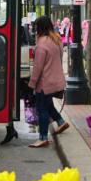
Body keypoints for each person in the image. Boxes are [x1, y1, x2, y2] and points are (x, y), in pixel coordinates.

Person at [27, 16, 69, 148]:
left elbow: (38, 67)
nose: (34, 30)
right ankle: (61, 122)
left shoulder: (42, 43)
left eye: (36, 27)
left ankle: (43, 137)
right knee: (48, 104)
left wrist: (32, 83)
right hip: (56, 80)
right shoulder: (56, 39)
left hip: (45, 82)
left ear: (39, 28)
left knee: (42, 109)